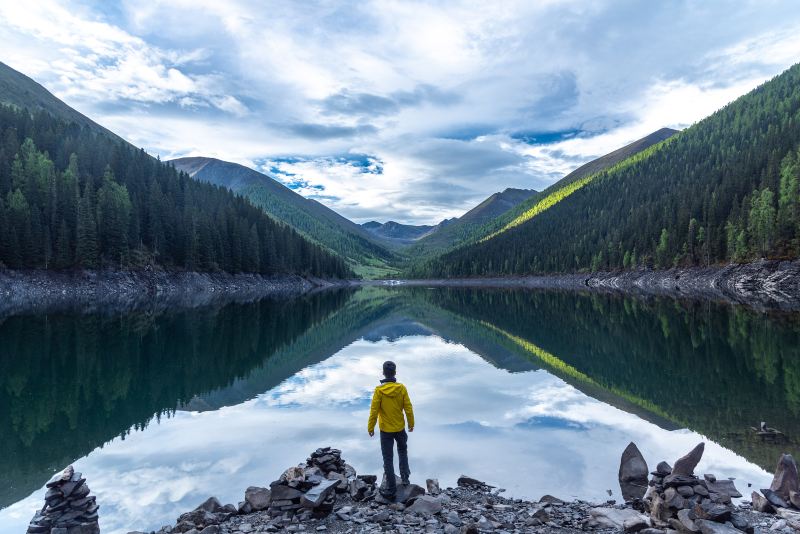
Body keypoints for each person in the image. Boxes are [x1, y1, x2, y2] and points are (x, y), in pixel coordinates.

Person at [367, 360, 414, 500]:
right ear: (395, 373)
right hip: (400, 428)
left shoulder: (379, 391)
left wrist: (370, 427)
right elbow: (408, 408)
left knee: (388, 458)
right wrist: (411, 423)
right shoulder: (402, 388)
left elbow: (374, 411)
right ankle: (405, 479)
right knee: (402, 451)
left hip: (385, 430)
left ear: (383, 373)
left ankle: (391, 489)